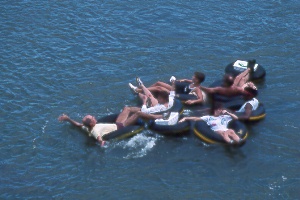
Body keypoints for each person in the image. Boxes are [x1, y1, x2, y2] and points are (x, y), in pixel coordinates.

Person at [58, 110, 165, 146]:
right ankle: (159, 116)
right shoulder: (95, 130)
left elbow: (77, 125)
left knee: (126, 109)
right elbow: (99, 138)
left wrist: (68, 119)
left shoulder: (86, 128)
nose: (95, 117)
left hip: (117, 123)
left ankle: (149, 109)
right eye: (92, 118)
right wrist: (102, 144)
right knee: (137, 113)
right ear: (91, 123)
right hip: (121, 126)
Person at [179, 103, 244, 144]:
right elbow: (196, 118)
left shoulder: (225, 117)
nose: (219, 111)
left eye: (220, 109)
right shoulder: (208, 117)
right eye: (218, 109)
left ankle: (237, 141)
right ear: (214, 110)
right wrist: (186, 118)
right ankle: (231, 142)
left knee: (230, 131)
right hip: (216, 131)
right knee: (225, 132)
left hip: (225, 130)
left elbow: (236, 118)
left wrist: (228, 113)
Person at [129, 72, 207, 105]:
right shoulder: (192, 82)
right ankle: (142, 88)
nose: (192, 77)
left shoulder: (197, 88)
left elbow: (201, 99)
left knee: (159, 88)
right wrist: (177, 81)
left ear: (197, 80)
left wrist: (193, 102)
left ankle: (138, 90)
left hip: (176, 94)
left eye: (194, 76)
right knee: (159, 83)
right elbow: (185, 80)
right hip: (176, 89)